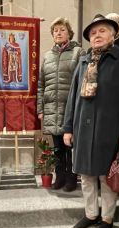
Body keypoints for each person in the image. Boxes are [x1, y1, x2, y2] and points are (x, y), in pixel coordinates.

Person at [63, 14, 119, 228]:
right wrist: (68, 127)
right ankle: (90, 214)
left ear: (114, 33)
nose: (97, 35)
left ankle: (107, 217)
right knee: (86, 176)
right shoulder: (84, 59)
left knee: (106, 177)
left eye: (102, 31)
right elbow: (73, 96)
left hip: (110, 128)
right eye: (93, 32)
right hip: (83, 128)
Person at [37, 17, 84, 192]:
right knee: (57, 147)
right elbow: (41, 84)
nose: (58, 33)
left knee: (70, 145)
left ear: (69, 33)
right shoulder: (47, 56)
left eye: (62, 29)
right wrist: (40, 109)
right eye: (55, 30)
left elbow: (83, 81)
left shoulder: (79, 52)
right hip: (51, 108)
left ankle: (72, 179)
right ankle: (60, 177)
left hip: (70, 107)